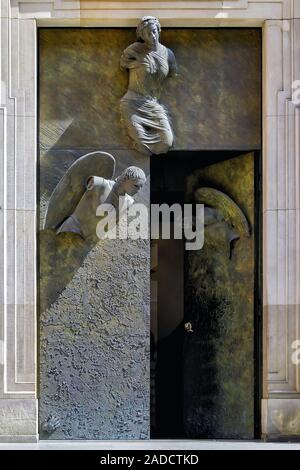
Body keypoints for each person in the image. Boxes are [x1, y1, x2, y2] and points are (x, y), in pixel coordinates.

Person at [120, 16, 177, 156]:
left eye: (153, 31)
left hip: (152, 104)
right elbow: (123, 64)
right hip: (132, 103)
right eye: (147, 34)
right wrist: (138, 65)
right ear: (142, 37)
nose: (152, 36)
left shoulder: (168, 54)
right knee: (140, 143)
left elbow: (173, 72)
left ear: (158, 30)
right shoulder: (135, 49)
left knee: (166, 143)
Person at [56, 166, 146, 239]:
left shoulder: (129, 202)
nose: (138, 190)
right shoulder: (98, 184)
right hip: (70, 230)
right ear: (125, 178)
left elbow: (109, 226)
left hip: (88, 239)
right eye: (136, 186)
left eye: (140, 187)